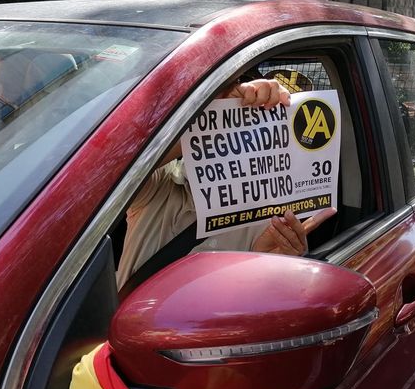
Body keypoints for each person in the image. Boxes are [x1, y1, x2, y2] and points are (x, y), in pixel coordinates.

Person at [116, 78, 336, 287]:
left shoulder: (272, 222)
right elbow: (117, 163)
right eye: (224, 121)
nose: (238, 140)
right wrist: (212, 114)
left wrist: (271, 265)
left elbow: (269, 300)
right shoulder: (158, 184)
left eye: (256, 132)